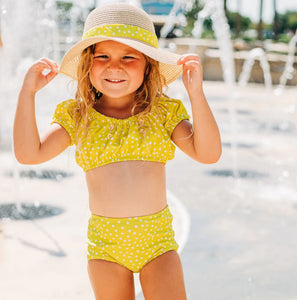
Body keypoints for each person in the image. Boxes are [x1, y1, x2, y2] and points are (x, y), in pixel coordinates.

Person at [13, 3, 221, 300]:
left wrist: (196, 94)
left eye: (128, 57)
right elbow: (29, 154)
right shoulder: (79, 116)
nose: (114, 66)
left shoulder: (162, 113)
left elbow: (208, 154)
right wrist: (27, 94)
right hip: (106, 248)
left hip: (157, 243)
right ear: (88, 63)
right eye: (103, 56)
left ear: (148, 64)